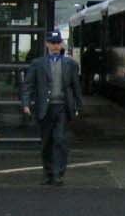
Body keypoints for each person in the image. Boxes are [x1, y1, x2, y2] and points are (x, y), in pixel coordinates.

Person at [20, 30, 82, 186]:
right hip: (45, 108)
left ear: (61, 44)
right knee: (46, 142)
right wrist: (26, 104)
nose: (55, 46)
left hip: (62, 106)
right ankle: (48, 173)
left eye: (57, 43)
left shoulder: (71, 64)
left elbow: (76, 86)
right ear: (47, 44)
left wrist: (78, 105)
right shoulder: (38, 64)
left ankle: (58, 174)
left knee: (60, 140)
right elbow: (28, 85)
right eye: (52, 43)